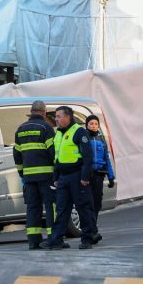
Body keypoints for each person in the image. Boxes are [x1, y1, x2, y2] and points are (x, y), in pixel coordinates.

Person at [42, 106, 98, 250]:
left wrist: (85, 177)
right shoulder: (59, 134)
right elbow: (57, 158)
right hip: (63, 177)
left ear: (68, 117)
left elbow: (88, 156)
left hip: (77, 176)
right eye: (56, 116)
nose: (56, 119)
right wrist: (56, 177)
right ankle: (56, 240)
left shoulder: (79, 132)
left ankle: (88, 238)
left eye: (59, 116)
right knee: (61, 209)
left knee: (83, 208)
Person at [12, 100, 57, 250]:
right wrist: (57, 171)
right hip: (46, 175)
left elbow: (17, 155)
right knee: (51, 207)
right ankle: (53, 238)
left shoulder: (20, 129)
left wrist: (22, 173)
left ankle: (33, 241)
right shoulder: (46, 128)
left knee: (32, 208)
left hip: (29, 177)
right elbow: (52, 152)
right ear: (44, 112)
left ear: (31, 112)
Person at [85, 115, 115, 243]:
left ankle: (93, 227)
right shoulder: (84, 138)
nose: (93, 126)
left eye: (96, 124)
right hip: (87, 176)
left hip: (99, 175)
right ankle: (92, 231)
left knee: (97, 204)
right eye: (91, 124)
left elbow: (107, 158)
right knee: (89, 204)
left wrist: (111, 176)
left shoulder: (101, 139)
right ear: (86, 125)